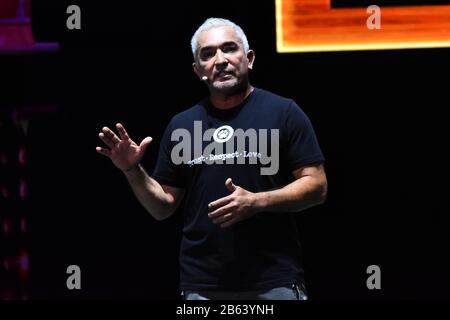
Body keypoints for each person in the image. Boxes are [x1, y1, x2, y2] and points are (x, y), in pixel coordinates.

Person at [96, 18, 327, 300]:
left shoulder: (284, 112)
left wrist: (257, 201)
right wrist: (132, 169)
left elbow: (317, 186)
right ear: (197, 71)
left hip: (274, 282)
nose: (220, 60)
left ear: (249, 58)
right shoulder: (182, 125)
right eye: (208, 54)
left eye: (229, 49)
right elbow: (162, 207)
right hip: (203, 288)